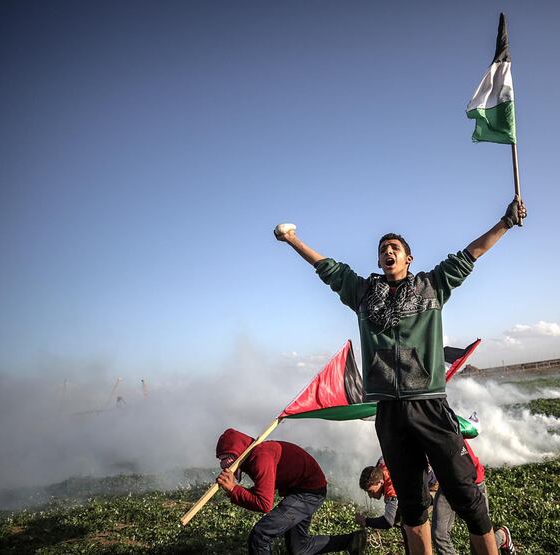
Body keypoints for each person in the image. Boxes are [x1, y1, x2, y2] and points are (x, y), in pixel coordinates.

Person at [275, 196, 526, 555]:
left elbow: (472, 254)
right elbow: (327, 268)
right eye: (382, 249)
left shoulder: (432, 284)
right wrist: (293, 240)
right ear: (379, 261)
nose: (388, 252)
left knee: (467, 496)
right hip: (389, 412)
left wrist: (505, 222)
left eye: (395, 248)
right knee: (411, 506)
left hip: (429, 405)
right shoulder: (362, 293)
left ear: (408, 259)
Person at [215, 428, 366, 555]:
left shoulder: (261, 458)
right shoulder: (256, 456)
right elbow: (263, 489)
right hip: (303, 490)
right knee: (299, 548)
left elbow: (264, 504)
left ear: (238, 452)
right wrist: (233, 491)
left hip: (308, 493)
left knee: (260, 534)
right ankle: (352, 541)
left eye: (227, 458)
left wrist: (234, 490)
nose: (225, 464)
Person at [431, 440, 515, 555]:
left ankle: (501, 536)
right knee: (439, 533)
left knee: (478, 542)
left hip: (471, 480)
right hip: (447, 482)